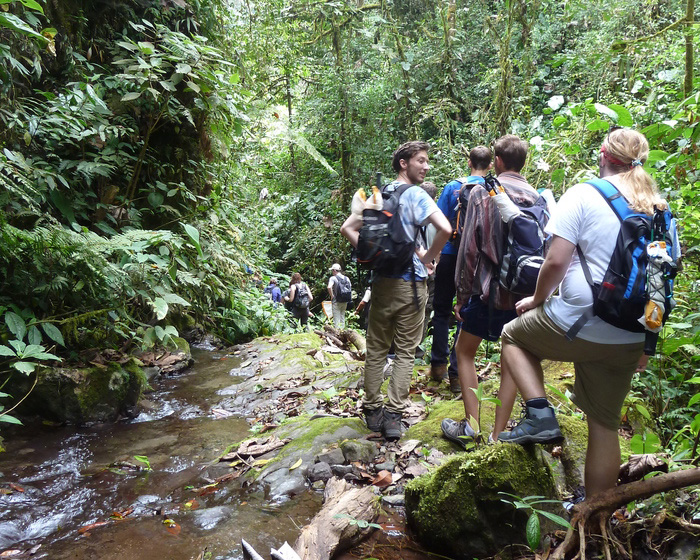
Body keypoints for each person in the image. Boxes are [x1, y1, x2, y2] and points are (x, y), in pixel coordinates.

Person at [497, 128, 665, 499]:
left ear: (603, 155)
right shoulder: (659, 206)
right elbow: (660, 282)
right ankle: (596, 517)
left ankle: (540, 414)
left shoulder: (584, 194)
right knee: (603, 423)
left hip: (579, 322)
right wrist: (648, 345)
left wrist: (538, 299)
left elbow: (556, 261)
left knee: (512, 335)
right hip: (632, 333)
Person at [340, 141, 451, 441]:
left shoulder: (377, 193)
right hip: (410, 285)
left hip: (381, 282)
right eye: (421, 161)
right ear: (404, 163)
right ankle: (393, 416)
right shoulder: (416, 195)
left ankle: (372, 409)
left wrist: (374, 256)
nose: (426, 166)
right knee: (404, 351)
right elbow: (446, 229)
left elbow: (348, 229)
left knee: (376, 349)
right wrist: (426, 260)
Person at [441, 135, 539, 448]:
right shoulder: (539, 197)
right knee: (513, 358)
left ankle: (472, 427)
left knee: (464, 351)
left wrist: (462, 295)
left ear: (496, 161)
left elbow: (470, 249)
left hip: (488, 292)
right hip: (524, 296)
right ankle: (498, 436)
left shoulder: (485, 192)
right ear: (524, 163)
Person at [430, 147, 493, 393]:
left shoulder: (452, 188)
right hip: (476, 259)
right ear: (490, 164)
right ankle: (458, 374)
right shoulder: (492, 189)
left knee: (442, 309)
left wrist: (433, 257)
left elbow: (440, 223)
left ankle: (437, 366)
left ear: (469, 162)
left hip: (449, 253)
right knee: (466, 311)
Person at [416, 181, 438, 360]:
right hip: (430, 270)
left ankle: (401, 351)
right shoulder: (437, 217)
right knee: (425, 311)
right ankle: (417, 351)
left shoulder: (409, 213)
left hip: (412, 271)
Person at [327, 263, 351, 328]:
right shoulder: (347, 278)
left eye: (332, 270)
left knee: (336, 319)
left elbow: (329, 287)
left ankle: (337, 334)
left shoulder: (333, 278)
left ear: (335, 270)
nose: (332, 272)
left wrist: (332, 296)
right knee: (342, 317)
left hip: (336, 301)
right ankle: (343, 332)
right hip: (345, 301)